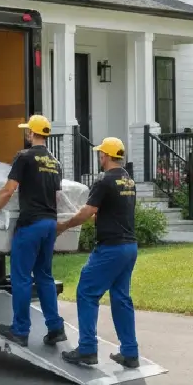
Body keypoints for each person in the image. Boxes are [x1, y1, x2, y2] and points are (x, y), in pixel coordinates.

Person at [0, 113, 67, 349]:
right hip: (50, 223)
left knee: (20, 277)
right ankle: (55, 327)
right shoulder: (55, 162)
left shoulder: (24, 157)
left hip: (31, 224)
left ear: (31, 133)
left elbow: (8, 190)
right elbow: (57, 196)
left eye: (27, 130)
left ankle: (20, 330)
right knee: (44, 276)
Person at [56, 136, 139, 369]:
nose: (99, 157)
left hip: (111, 248)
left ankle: (87, 349)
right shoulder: (128, 181)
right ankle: (130, 353)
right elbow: (112, 210)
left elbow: (89, 211)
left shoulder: (104, 179)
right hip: (129, 247)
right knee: (121, 298)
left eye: (101, 153)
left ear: (106, 156)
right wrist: (94, 216)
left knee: (86, 292)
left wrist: (64, 225)